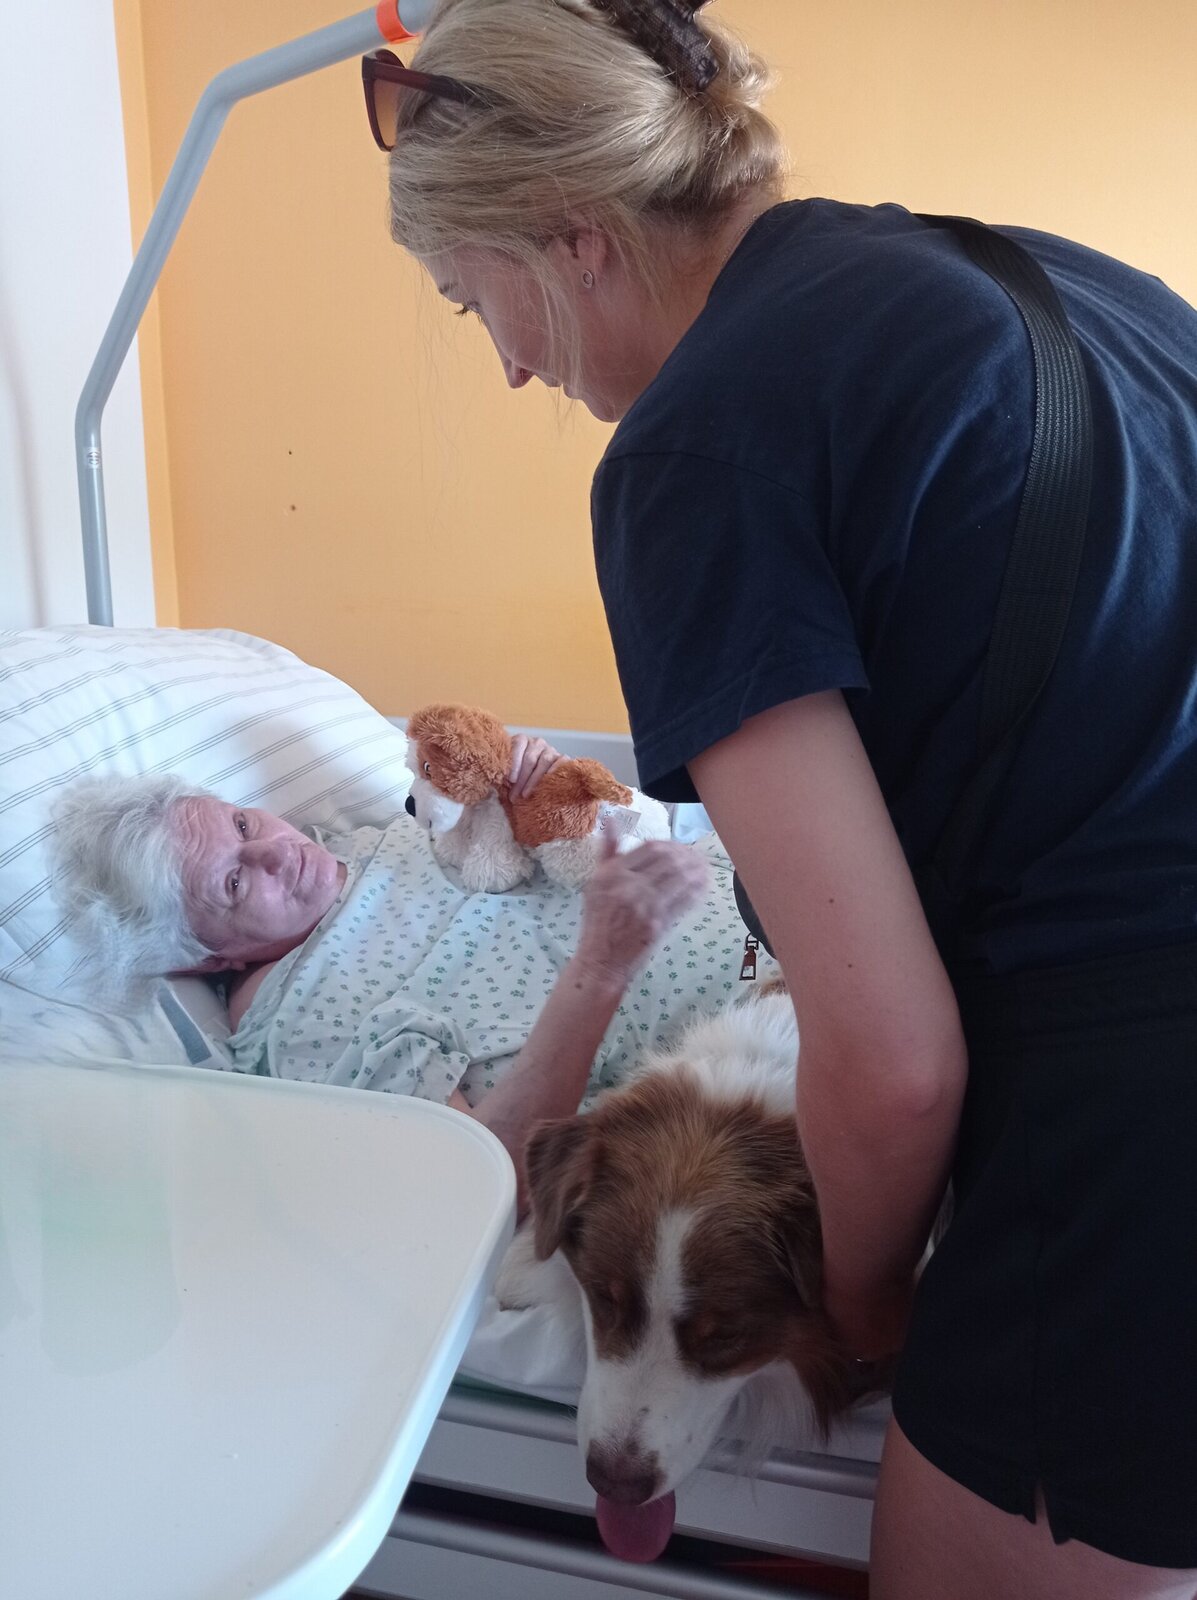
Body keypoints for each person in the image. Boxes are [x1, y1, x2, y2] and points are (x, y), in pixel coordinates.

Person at [372, 1, 1197, 1594]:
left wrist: (871, 1302)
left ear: (573, 236)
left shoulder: (696, 449)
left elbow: (890, 1063)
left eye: (479, 303)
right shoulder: (1042, 279)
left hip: (1139, 1124)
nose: (514, 365)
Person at [50, 752, 712, 1209]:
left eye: (243, 824)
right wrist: (601, 966)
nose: (277, 851)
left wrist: (548, 792)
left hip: (742, 891)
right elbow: (487, 1180)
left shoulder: (390, 833)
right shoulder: (295, 1022)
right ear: (205, 959)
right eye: (234, 881)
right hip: (735, 1043)